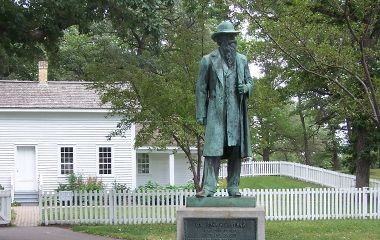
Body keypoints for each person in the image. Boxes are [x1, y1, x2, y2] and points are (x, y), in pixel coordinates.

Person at [196, 21, 253, 197]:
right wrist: (201, 113)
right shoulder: (208, 60)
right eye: (229, 37)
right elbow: (200, 88)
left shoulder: (242, 60)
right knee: (212, 151)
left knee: (235, 150)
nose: (232, 41)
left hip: (236, 113)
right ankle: (209, 187)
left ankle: (233, 186)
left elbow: (250, 82)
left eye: (233, 37)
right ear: (220, 40)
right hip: (216, 112)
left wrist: (247, 88)